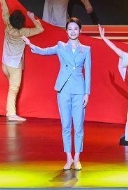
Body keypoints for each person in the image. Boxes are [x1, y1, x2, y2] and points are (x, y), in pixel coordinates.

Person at [22, 17, 91, 170]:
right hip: (63, 90)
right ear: (66, 31)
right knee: (66, 125)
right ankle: (68, 158)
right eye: (70, 29)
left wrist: (87, 93)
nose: (73, 31)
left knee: (78, 126)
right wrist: (31, 44)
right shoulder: (61, 46)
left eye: (75, 28)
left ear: (80, 30)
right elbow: (45, 51)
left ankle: (77, 158)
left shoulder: (86, 50)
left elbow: (88, 73)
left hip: (79, 91)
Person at [0, 0, 44, 122]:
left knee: (12, 87)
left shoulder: (7, 25)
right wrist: (32, 17)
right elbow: (40, 29)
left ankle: (11, 112)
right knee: (13, 89)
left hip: (5, 64)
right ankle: (11, 114)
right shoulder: (24, 32)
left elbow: (4, 8)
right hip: (15, 65)